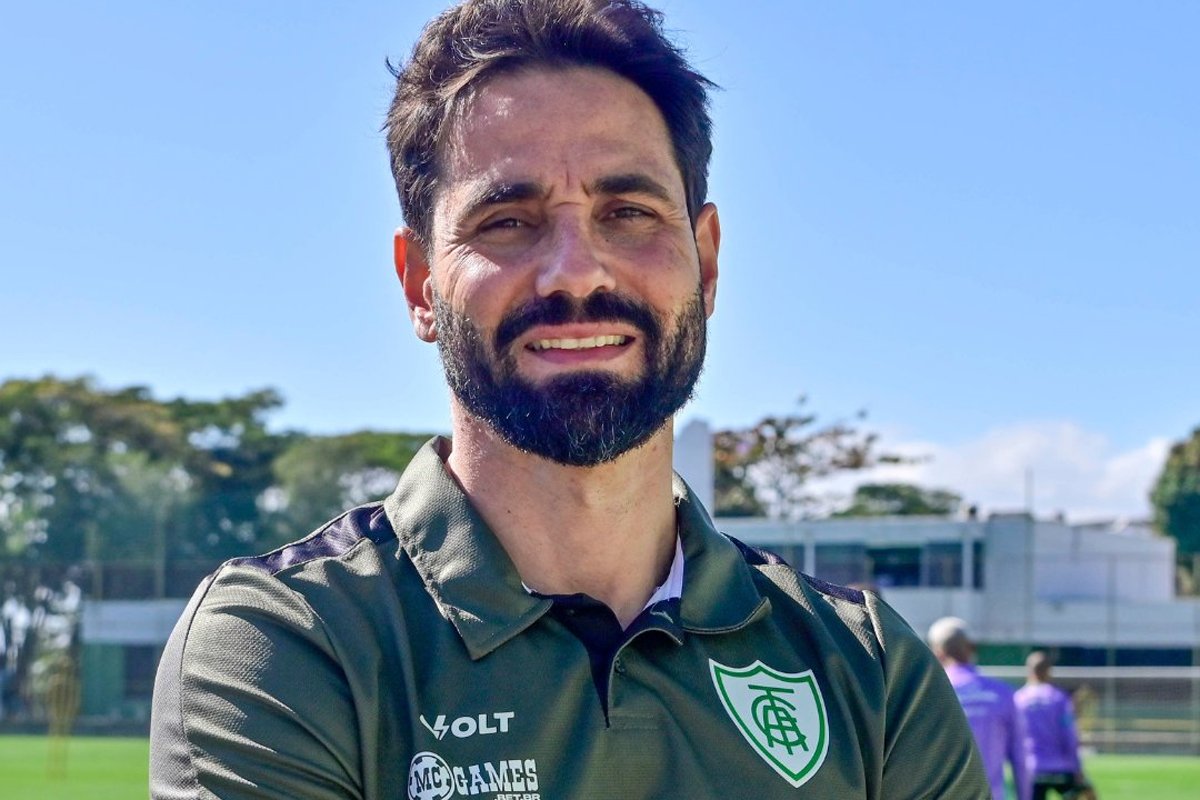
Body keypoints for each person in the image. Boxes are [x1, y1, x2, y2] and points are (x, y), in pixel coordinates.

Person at [149, 1, 989, 797]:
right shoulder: (293, 640)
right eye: (508, 222)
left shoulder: (866, 667)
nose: (577, 271)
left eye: (627, 212)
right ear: (419, 283)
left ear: (708, 261)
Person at [929, 616, 1032, 800]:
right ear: (970, 648)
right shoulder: (1003, 693)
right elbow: (1020, 758)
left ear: (937, 652)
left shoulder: (932, 694)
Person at [1015, 651, 1096, 800]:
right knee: (1089, 793)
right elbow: (1069, 736)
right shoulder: (1058, 698)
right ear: (1048, 671)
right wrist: (1077, 768)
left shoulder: (1018, 699)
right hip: (1061, 768)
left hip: (1032, 769)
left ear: (1029, 670)